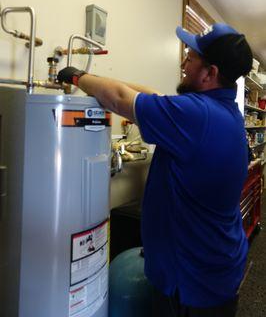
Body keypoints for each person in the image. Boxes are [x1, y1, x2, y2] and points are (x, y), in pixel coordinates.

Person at [58, 23, 253, 317]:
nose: (184, 63)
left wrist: (77, 76)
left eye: (191, 58)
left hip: (194, 283)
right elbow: (151, 95)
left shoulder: (197, 116)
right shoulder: (218, 111)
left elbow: (120, 100)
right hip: (216, 264)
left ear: (210, 73)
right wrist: (97, 80)